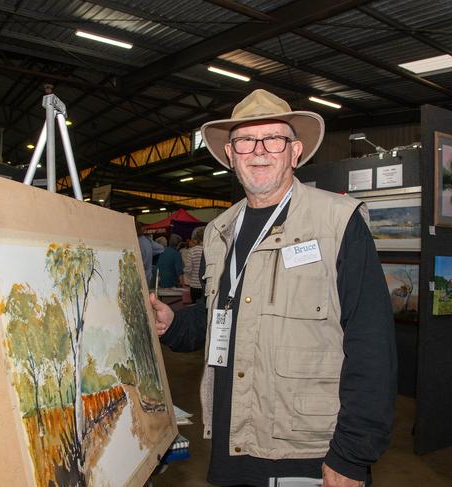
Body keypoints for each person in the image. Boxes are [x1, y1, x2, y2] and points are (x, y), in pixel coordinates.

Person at [149, 89, 396, 487]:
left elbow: (372, 344)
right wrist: (174, 324)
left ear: (295, 152)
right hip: (234, 439)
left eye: (273, 139)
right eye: (246, 140)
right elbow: (222, 317)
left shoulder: (338, 222)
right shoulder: (218, 231)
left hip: (306, 449)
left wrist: (352, 455)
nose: (259, 150)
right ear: (231, 154)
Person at [136, 220, 164, 285]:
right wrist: (151, 252)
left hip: (138, 276)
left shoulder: (135, 242)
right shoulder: (148, 240)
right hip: (148, 276)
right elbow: (161, 249)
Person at [185, 226, 205, 302]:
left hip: (194, 285)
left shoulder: (192, 251)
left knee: (195, 307)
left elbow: (188, 269)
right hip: (205, 285)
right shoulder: (208, 250)